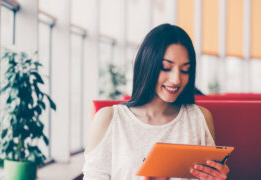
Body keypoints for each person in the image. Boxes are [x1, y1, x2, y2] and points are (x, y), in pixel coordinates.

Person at [83, 24, 229, 180]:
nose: (176, 79)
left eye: (185, 70)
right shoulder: (109, 119)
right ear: (147, 65)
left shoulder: (200, 118)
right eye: (166, 67)